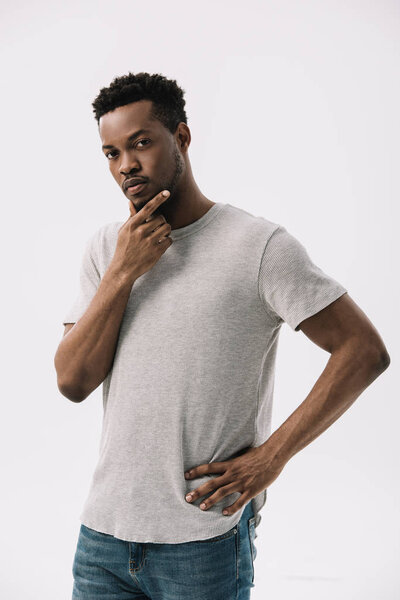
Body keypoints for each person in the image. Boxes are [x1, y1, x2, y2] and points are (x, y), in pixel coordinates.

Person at [54, 72, 390, 600]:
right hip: (103, 540)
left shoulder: (257, 246)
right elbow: (72, 381)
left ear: (181, 138)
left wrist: (272, 456)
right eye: (111, 153)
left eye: (141, 143)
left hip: (202, 541)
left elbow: (363, 351)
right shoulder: (107, 248)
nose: (126, 166)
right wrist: (123, 271)